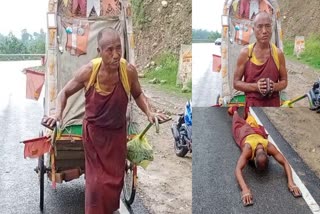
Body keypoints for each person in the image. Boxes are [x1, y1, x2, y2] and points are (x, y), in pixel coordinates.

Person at [42, 27, 168, 214]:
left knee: (113, 185)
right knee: (95, 185)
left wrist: (149, 112)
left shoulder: (128, 71)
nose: (116, 54)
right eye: (110, 50)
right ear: (99, 52)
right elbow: (64, 93)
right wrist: (57, 114)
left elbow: (138, 93)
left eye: (119, 48)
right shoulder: (88, 72)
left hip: (117, 136)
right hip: (94, 136)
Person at [229, 107, 301, 206]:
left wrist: (291, 182)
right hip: (244, 132)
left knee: (250, 118)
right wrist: (245, 189)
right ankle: (235, 110)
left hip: (255, 130)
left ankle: (246, 111)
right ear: (253, 159)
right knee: (236, 123)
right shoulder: (248, 150)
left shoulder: (269, 146)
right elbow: (237, 169)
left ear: (268, 154)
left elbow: (285, 162)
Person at [233, 11, 288, 112]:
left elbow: (284, 81)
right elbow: (236, 83)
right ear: (253, 30)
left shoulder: (278, 54)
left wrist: (274, 86)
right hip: (252, 107)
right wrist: (256, 87)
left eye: (267, 26)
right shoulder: (246, 53)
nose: (264, 31)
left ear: (271, 28)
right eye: (260, 26)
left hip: (274, 106)